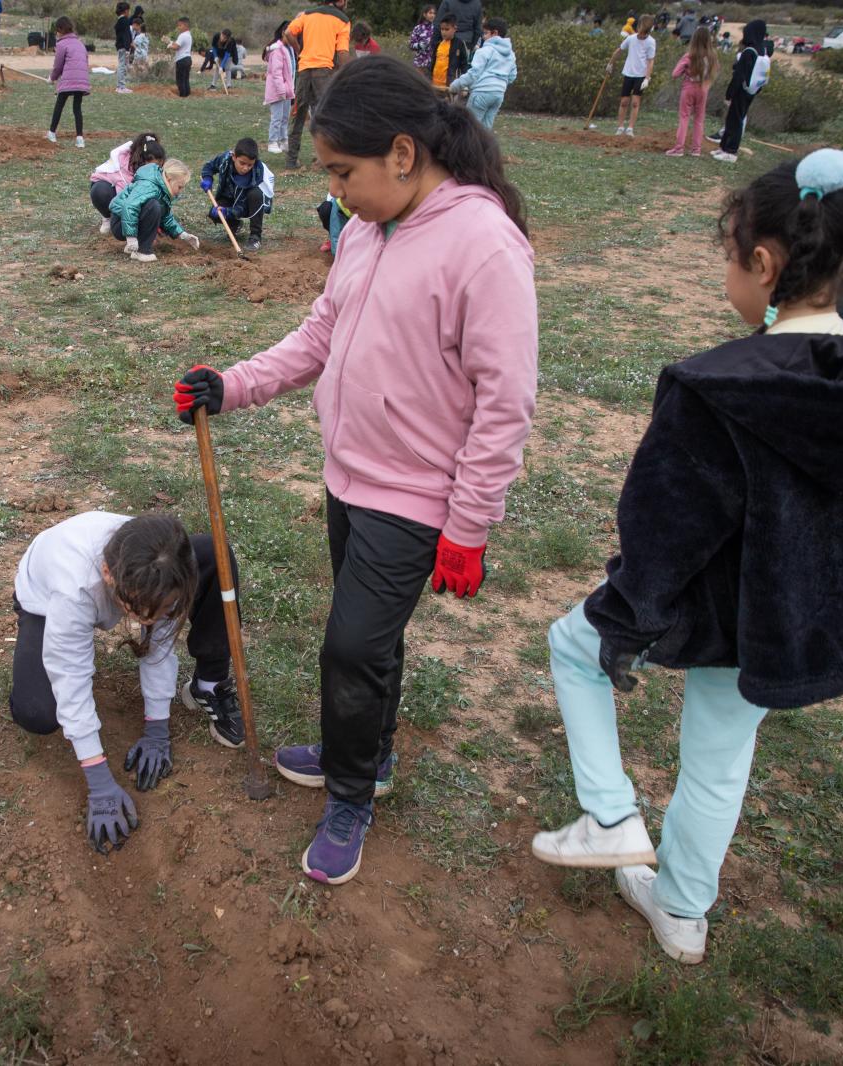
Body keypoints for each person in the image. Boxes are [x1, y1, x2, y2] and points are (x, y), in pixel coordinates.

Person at [529, 147, 843, 967]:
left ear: (766, 262)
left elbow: (665, 519)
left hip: (713, 597)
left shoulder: (720, 384)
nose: (728, 274)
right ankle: (681, 912)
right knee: (721, 755)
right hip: (795, 610)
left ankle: (608, 817)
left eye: (731, 256)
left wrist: (627, 614)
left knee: (574, 646)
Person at [173, 57, 537, 885]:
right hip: (349, 478)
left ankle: (349, 794)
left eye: (343, 172)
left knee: (349, 649)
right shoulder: (368, 230)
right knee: (369, 650)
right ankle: (367, 757)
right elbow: (318, 336)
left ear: (402, 154)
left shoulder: (484, 246)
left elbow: (504, 402)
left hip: (415, 501)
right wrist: (232, 385)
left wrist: (469, 526)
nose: (335, 191)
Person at [10, 512, 248, 853]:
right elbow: (71, 678)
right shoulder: (73, 589)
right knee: (37, 712)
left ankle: (209, 684)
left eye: (161, 609)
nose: (148, 620)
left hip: (136, 580)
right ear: (108, 574)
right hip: (42, 597)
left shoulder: (164, 566)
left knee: (213, 553)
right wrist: (99, 781)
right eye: (136, 609)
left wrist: (157, 728)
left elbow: (159, 647)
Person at [283, 0, 350, 170]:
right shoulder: (343, 20)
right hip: (324, 72)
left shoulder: (308, 13)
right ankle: (325, 160)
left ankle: (291, 160)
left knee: (298, 115)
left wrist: (300, 51)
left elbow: (289, 33)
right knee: (324, 117)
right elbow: (342, 52)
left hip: (304, 70)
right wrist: (346, 74)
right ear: (340, 1)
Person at [108, 157, 200, 262]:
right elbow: (129, 207)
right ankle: (142, 251)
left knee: (155, 208)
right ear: (169, 179)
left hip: (127, 223)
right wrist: (131, 237)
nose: (180, 191)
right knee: (153, 206)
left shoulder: (161, 190)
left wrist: (183, 235)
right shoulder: (149, 185)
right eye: (179, 187)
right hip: (120, 222)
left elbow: (165, 217)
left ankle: (136, 248)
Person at [201, 137, 274, 251]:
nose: (245, 168)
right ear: (234, 156)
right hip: (229, 197)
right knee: (214, 213)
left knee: (256, 195)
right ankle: (234, 224)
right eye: (242, 163)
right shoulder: (225, 159)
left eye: (250, 165)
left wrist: (228, 212)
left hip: (249, 203)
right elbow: (209, 167)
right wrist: (207, 178)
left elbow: (242, 208)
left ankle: (255, 236)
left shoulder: (256, 174)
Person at [709, 19, 765, 162]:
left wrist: (729, 94)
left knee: (735, 120)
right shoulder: (761, 50)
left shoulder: (748, 52)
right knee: (734, 119)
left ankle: (731, 151)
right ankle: (723, 148)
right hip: (750, 91)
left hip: (741, 90)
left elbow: (739, 75)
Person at [90, 131, 166, 233]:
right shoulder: (125, 168)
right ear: (142, 160)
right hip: (110, 187)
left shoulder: (157, 169)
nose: (155, 169)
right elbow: (126, 196)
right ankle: (108, 217)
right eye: (152, 166)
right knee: (101, 191)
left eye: (158, 166)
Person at [449, 16, 515, 130]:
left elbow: (473, 74)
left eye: (485, 33)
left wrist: (455, 85)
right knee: (485, 130)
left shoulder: (484, 51)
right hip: (498, 95)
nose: (483, 37)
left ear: (495, 33)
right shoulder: (510, 54)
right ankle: (485, 148)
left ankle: (469, 148)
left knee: (470, 128)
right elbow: (512, 76)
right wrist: (498, 84)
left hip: (481, 94)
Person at [665, 25, 714, 156]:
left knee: (684, 117)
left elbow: (675, 74)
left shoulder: (689, 56)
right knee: (699, 119)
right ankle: (696, 149)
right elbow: (712, 74)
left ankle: (679, 148)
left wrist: (685, 71)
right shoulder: (712, 57)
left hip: (689, 87)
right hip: (703, 88)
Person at [607, 12, 655, 137]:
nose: (642, 33)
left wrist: (647, 78)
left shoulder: (651, 42)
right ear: (638, 27)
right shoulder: (631, 39)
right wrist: (610, 64)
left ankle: (630, 128)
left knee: (635, 102)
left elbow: (650, 61)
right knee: (624, 102)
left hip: (641, 75)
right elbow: (619, 50)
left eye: (645, 31)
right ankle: (620, 126)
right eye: (641, 30)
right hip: (628, 73)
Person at [47, 15, 89, 148]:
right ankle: (80, 139)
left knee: (59, 104)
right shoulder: (80, 43)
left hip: (69, 80)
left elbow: (58, 66)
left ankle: (52, 133)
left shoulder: (61, 44)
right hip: (82, 80)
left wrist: (52, 78)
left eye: (57, 30)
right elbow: (84, 61)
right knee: (77, 108)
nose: (56, 33)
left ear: (60, 29)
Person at [264, 21, 294, 154]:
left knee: (285, 117)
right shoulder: (277, 50)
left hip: (287, 90)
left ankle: (283, 140)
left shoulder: (290, 48)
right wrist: (281, 90)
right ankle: (272, 142)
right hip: (277, 91)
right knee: (276, 117)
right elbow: (276, 73)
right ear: (283, 33)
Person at [429, 15, 466, 90]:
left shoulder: (459, 44)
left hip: (449, 86)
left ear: (455, 28)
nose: (444, 32)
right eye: (442, 29)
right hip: (434, 84)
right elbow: (432, 63)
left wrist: (464, 86)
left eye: (447, 29)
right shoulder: (438, 44)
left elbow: (464, 65)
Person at [167, 17, 192, 97]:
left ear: (185, 25)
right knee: (185, 78)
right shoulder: (189, 35)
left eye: (180, 25)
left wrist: (170, 45)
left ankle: (182, 95)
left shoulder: (182, 35)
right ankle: (187, 94)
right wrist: (171, 42)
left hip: (181, 59)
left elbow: (176, 47)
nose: (178, 27)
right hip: (188, 58)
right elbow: (179, 44)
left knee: (180, 79)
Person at [114, 2, 134, 93]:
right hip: (123, 46)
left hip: (120, 45)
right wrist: (127, 47)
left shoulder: (119, 21)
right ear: (126, 11)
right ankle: (120, 87)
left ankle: (121, 86)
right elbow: (125, 35)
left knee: (122, 65)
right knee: (122, 66)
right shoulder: (125, 21)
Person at [409, 4, 437, 70]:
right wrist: (419, 45)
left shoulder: (436, 29)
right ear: (424, 14)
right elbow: (411, 45)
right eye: (430, 13)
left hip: (433, 63)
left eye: (434, 13)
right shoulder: (418, 28)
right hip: (419, 62)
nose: (432, 15)